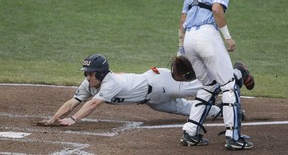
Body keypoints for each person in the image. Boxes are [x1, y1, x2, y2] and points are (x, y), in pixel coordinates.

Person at [177, 0, 253, 150]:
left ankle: (190, 133)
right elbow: (217, 9)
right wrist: (228, 38)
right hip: (207, 36)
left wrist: (180, 49)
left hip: (190, 39)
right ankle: (233, 137)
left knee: (209, 86)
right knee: (229, 85)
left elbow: (183, 19)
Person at [38, 54, 248, 126]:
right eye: (86, 73)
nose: (87, 77)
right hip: (152, 99)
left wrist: (73, 120)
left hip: (159, 83)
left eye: (90, 73)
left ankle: (237, 73)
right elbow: (72, 102)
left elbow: (93, 104)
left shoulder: (110, 84)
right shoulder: (89, 84)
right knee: (185, 110)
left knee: (205, 87)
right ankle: (224, 111)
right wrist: (52, 119)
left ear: (100, 73)